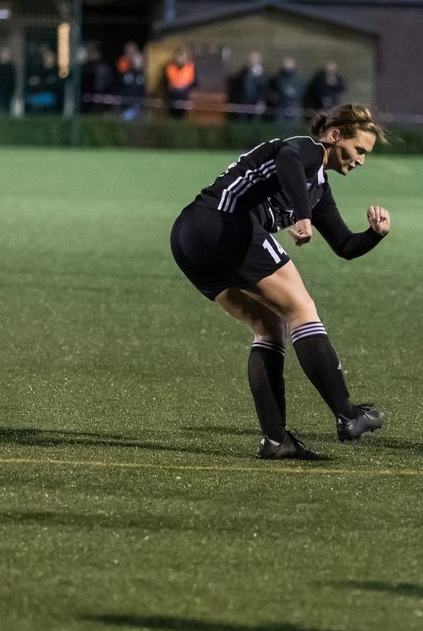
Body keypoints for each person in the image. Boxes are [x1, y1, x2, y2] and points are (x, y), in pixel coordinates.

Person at [170, 104, 392, 459]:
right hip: (221, 223)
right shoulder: (307, 149)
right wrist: (302, 217)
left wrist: (374, 235)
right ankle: (347, 414)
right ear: (334, 136)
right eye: (359, 149)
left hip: (190, 238)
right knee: (302, 309)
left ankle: (276, 440)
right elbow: (287, 157)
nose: (361, 160)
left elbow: (344, 246)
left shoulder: (317, 188)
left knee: (269, 325)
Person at [163, 46, 196, 118]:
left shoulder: (190, 67)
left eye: (183, 56)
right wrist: (170, 85)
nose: (180, 58)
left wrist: (185, 86)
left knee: (182, 96)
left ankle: (182, 115)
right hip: (172, 94)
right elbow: (164, 82)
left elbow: (195, 83)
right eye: (179, 56)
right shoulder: (169, 67)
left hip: (185, 95)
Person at [267, 57, 303, 122]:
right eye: (287, 64)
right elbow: (274, 89)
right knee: (280, 123)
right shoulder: (278, 77)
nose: (288, 66)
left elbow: (300, 90)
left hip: (293, 104)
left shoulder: (298, 78)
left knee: (293, 124)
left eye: (290, 64)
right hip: (281, 103)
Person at [0, 48, 17, 114]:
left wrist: (12, 89)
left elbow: (12, 79)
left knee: (6, 107)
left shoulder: (10, 67)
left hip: (8, 91)